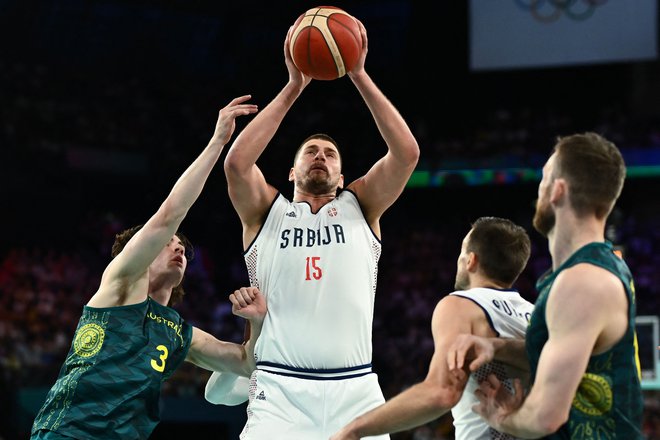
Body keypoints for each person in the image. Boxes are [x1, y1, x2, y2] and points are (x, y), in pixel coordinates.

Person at [218, 19, 420, 440]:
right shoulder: (265, 212)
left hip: (356, 389)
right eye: (311, 151)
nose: (320, 157)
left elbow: (405, 154)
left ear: (343, 176)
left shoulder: (360, 206)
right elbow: (237, 164)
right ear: (291, 171)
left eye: (330, 154)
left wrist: (359, 74)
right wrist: (295, 85)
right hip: (280, 388)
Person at [30, 95, 264, 440]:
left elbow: (246, 364)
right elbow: (168, 216)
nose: (178, 247)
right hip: (70, 432)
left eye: (182, 247)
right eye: (169, 243)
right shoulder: (121, 284)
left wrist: (254, 322)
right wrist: (218, 141)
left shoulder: (178, 331)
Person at [447, 132, 644, 438]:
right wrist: (495, 346)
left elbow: (545, 418)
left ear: (558, 190)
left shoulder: (581, 282)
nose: (538, 189)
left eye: (543, 179)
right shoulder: (601, 268)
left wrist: (498, 417)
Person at [330, 216, 534, 440]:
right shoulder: (536, 315)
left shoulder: (462, 304)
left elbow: (442, 392)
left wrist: (355, 428)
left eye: (462, 251)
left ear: (471, 261)